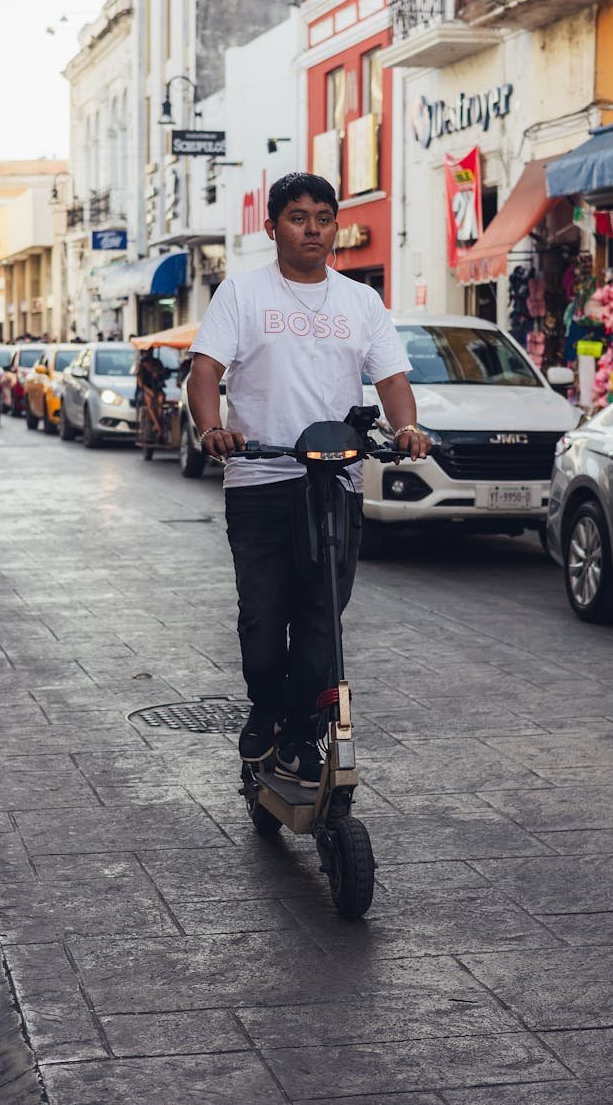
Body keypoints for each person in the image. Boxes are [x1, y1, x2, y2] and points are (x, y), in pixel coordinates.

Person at [188, 172, 429, 787]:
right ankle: (267, 712)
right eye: (298, 217)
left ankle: (300, 734)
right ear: (272, 227)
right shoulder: (241, 294)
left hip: (335, 485)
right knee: (263, 619)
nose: (313, 228)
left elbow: (393, 381)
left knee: (323, 616)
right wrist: (213, 427)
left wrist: (408, 429)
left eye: (323, 217)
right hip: (260, 479)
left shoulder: (361, 302)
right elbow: (204, 372)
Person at [136, 348, 165, 439]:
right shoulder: (140, 366)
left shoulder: (157, 362)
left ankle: (158, 424)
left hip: (156, 390)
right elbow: (141, 385)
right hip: (145, 391)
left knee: (160, 400)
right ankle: (158, 427)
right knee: (150, 404)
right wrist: (150, 392)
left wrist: (158, 373)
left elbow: (163, 375)